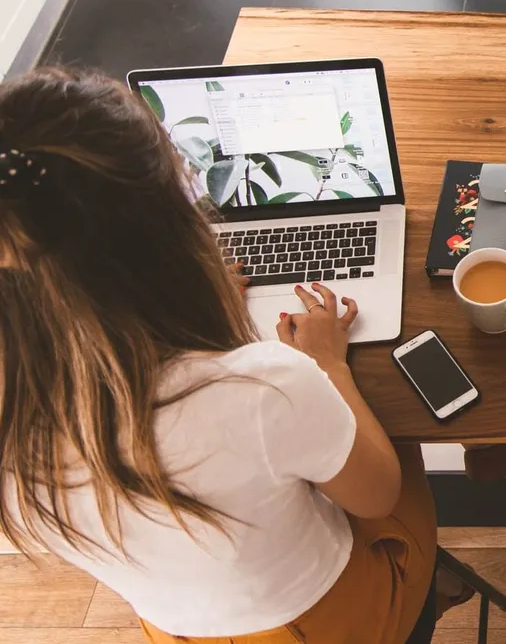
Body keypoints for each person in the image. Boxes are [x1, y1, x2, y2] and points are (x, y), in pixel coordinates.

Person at [0, 68, 461, 643]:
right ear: (170, 232)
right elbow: (377, 496)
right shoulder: (266, 389)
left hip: (182, 631)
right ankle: (421, 592)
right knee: (398, 450)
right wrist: (329, 365)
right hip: (327, 625)